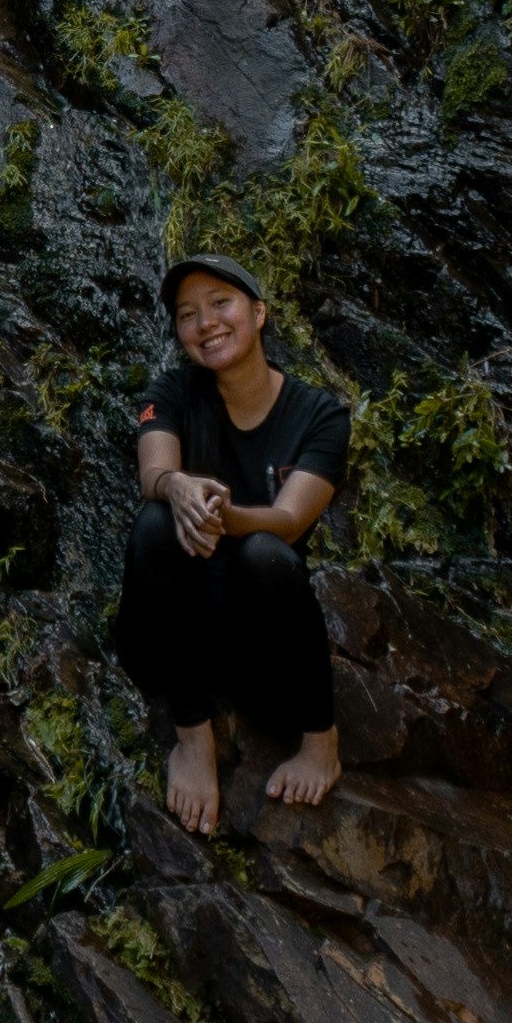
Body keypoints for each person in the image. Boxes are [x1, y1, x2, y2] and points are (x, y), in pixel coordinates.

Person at [115, 251, 352, 832]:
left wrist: (223, 513)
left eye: (221, 304)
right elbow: (153, 473)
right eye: (188, 315)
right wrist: (178, 487)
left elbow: (292, 521)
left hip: (258, 634)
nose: (206, 324)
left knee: (268, 553)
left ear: (259, 312)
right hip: (174, 625)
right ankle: (193, 739)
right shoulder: (172, 391)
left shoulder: (321, 415)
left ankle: (321, 742)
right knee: (154, 521)